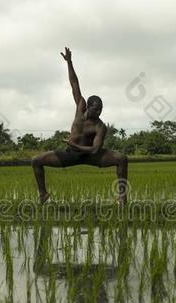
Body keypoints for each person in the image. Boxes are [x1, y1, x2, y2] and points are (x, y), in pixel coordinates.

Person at [31, 47, 128, 205]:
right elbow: (74, 83)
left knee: (122, 159)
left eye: (101, 109)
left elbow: (96, 150)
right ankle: (43, 194)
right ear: (88, 106)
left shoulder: (100, 127)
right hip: (70, 154)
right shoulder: (80, 106)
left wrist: (75, 145)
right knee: (36, 160)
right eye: (96, 109)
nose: (99, 112)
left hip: (91, 155)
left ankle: (122, 198)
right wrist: (69, 62)